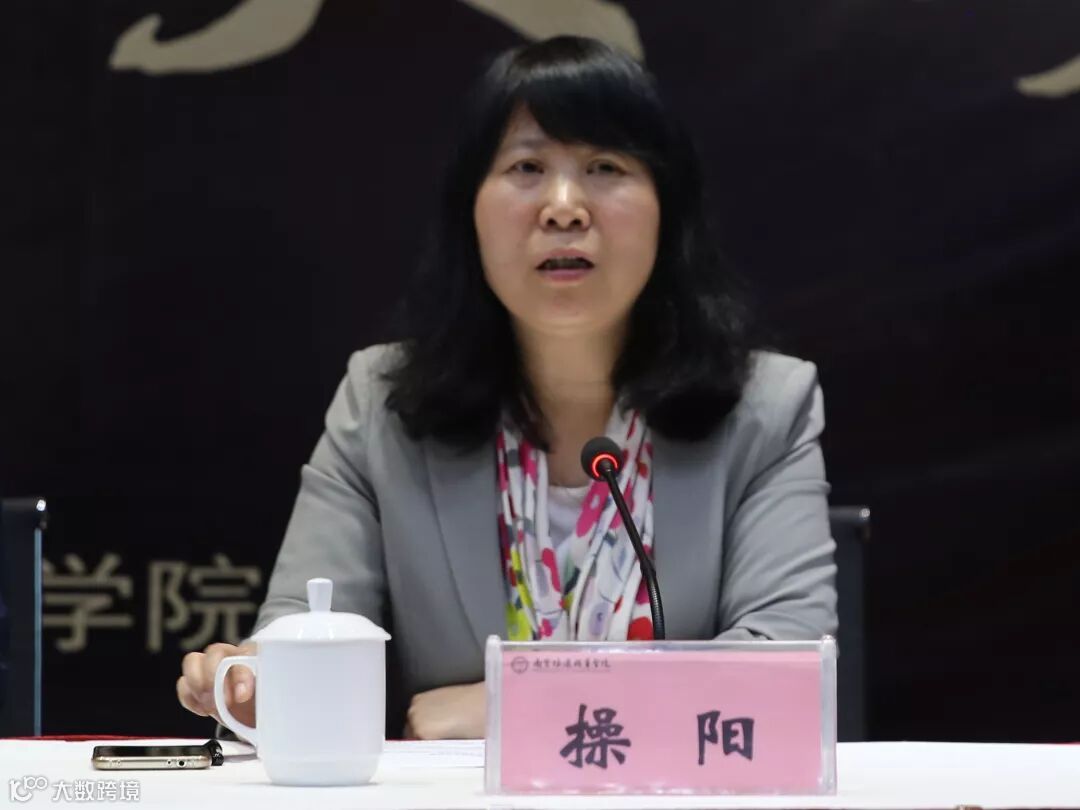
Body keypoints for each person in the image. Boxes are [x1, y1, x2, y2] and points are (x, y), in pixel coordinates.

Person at [176, 35, 836, 741]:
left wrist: (516, 705)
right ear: (471, 211)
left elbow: (788, 671)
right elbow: (310, 622)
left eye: (605, 167)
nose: (563, 208)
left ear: (666, 209)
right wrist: (265, 680)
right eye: (527, 167)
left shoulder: (766, 407)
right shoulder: (381, 404)